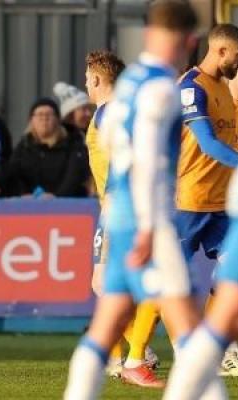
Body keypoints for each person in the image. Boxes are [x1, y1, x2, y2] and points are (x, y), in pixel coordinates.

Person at [63, 2, 229, 399]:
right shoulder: (161, 90)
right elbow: (149, 162)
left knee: (103, 333)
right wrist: (150, 229)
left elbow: (109, 145)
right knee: (190, 331)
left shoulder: (132, 81)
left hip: (118, 213)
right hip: (146, 220)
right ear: (191, 40)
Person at [165, 6, 238, 397]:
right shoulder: (190, 87)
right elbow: (209, 145)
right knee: (172, 284)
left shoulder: (227, 92)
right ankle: (150, 353)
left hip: (223, 204)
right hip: (187, 201)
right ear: (221, 51)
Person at [83, 50, 163, 385]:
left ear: (98, 79)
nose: (86, 84)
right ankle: (129, 353)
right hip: (130, 206)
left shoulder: (107, 113)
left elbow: (122, 160)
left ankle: (131, 354)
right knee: (121, 284)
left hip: (117, 208)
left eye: (87, 79)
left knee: (105, 284)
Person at [8, 98, 90, 198]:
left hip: (68, 206)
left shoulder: (73, 144)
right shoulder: (23, 146)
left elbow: (74, 176)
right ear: (31, 120)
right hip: (29, 206)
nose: (44, 118)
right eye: (39, 114)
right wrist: (24, 194)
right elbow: (13, 174)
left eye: (49, 114)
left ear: (57, 119)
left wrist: (56, 196)